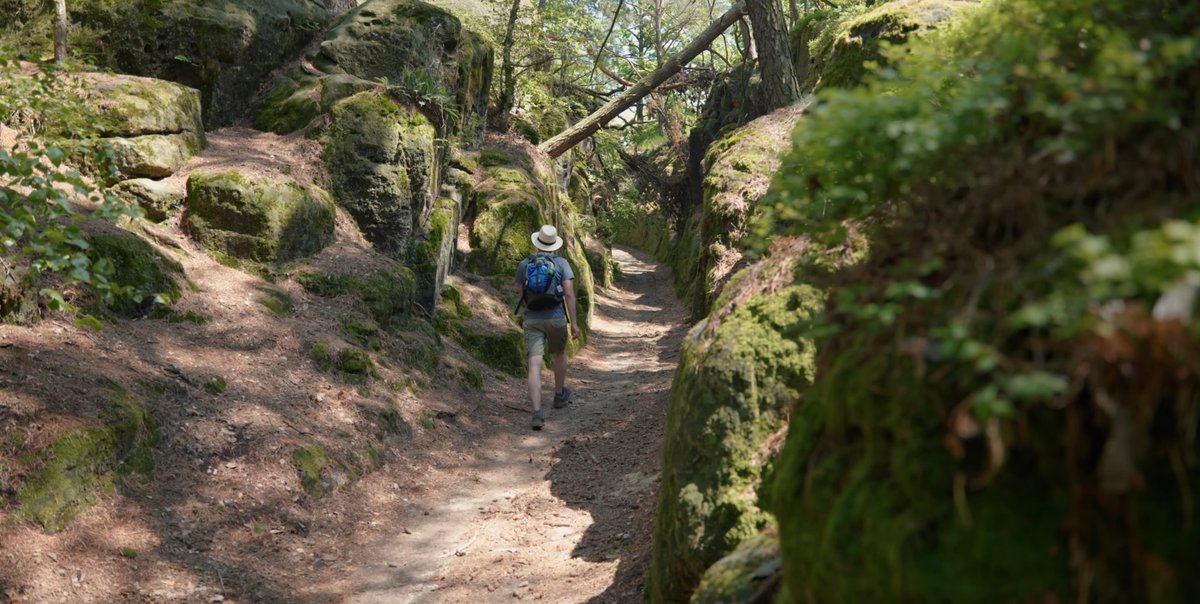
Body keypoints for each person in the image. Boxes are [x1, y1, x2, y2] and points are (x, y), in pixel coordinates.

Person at [516, 224, 579, 430]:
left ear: (537, 242)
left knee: (534, 364)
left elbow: (521, 294)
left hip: (532, 318)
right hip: (556, 317)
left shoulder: (525, 264)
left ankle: (536, 412)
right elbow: (568, 294)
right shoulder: (561, 263)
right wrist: (574, 323)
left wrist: (533, 307)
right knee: (559, 353)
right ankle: (559, 395)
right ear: (554, 245)